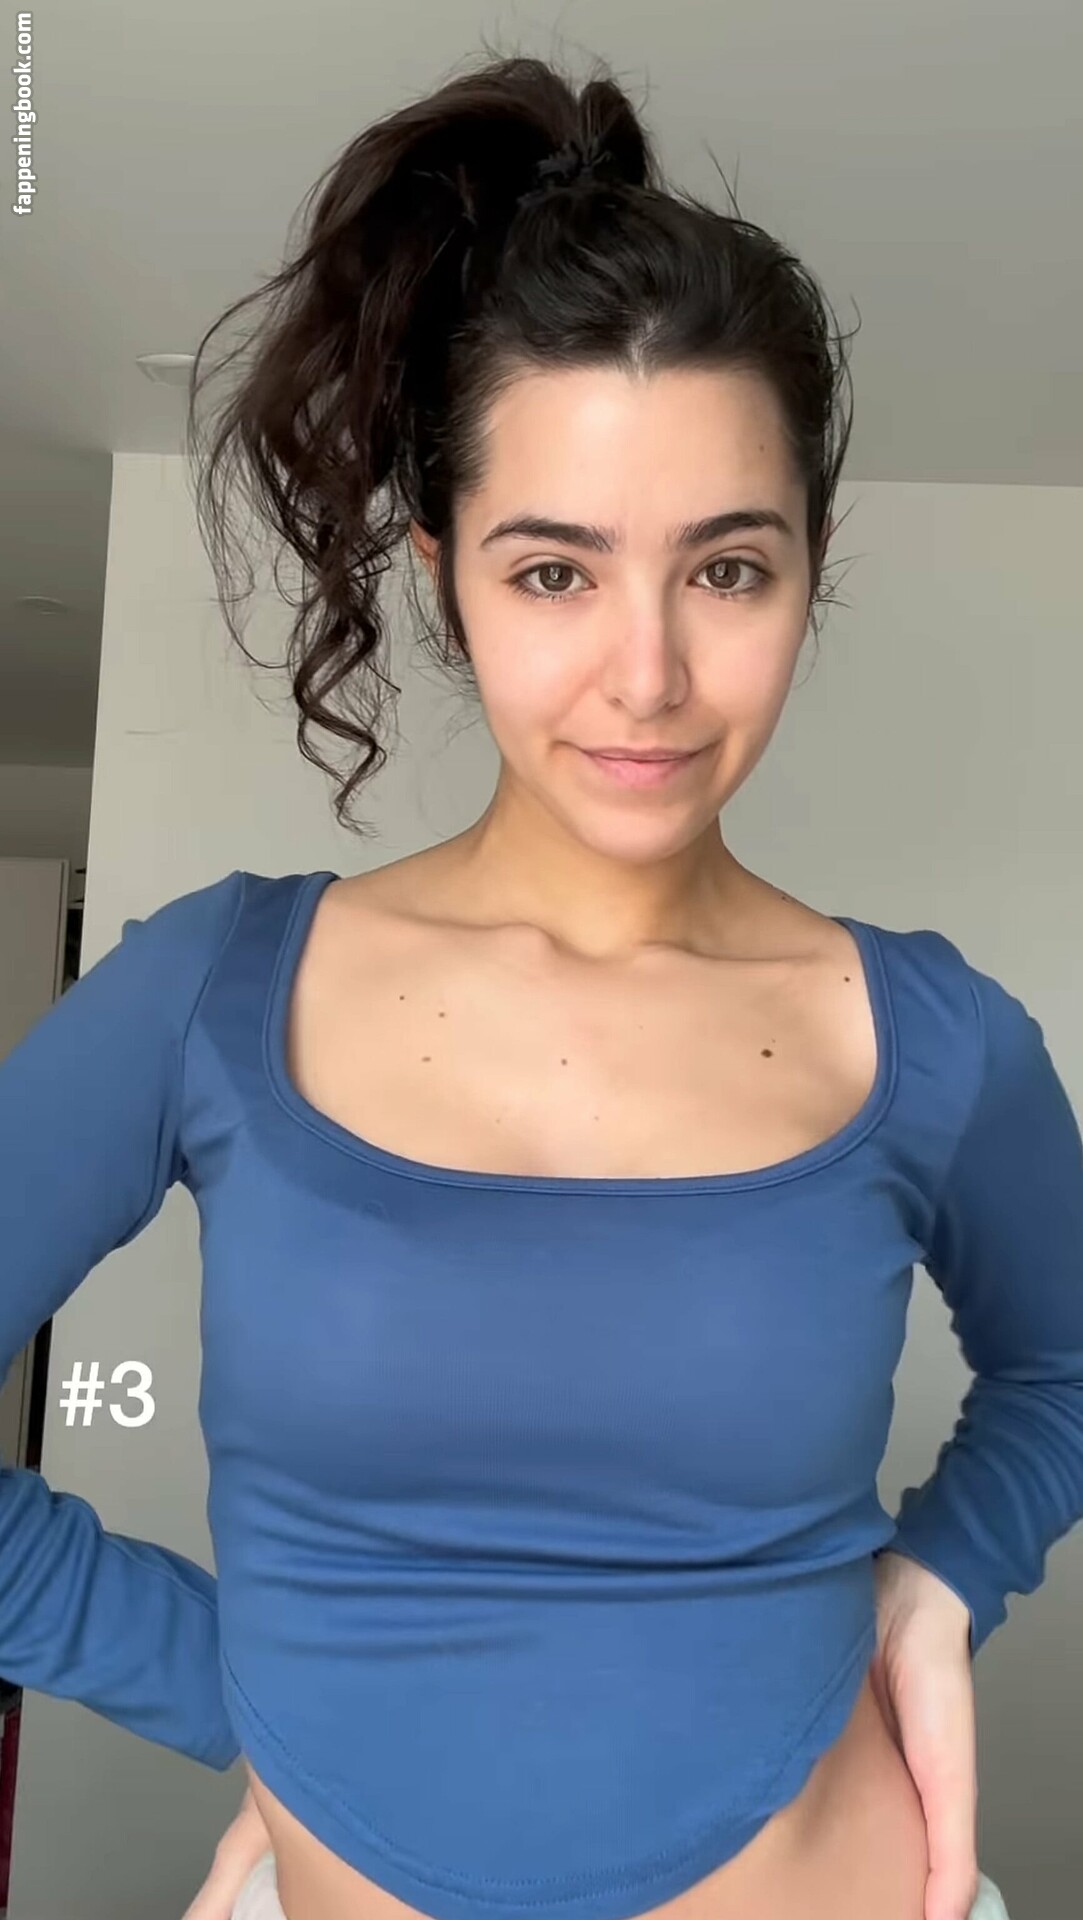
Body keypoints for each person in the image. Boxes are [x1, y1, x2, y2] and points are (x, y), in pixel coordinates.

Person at [2, 41, 1080, 1920]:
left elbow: (1067, 1364)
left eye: (726, 570)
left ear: (811, 570)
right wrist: (247, 1694)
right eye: (555, 572)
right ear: (443, 570)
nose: (646, 676)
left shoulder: (933, 1039)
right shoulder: (209, 993)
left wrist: (940, 1579)